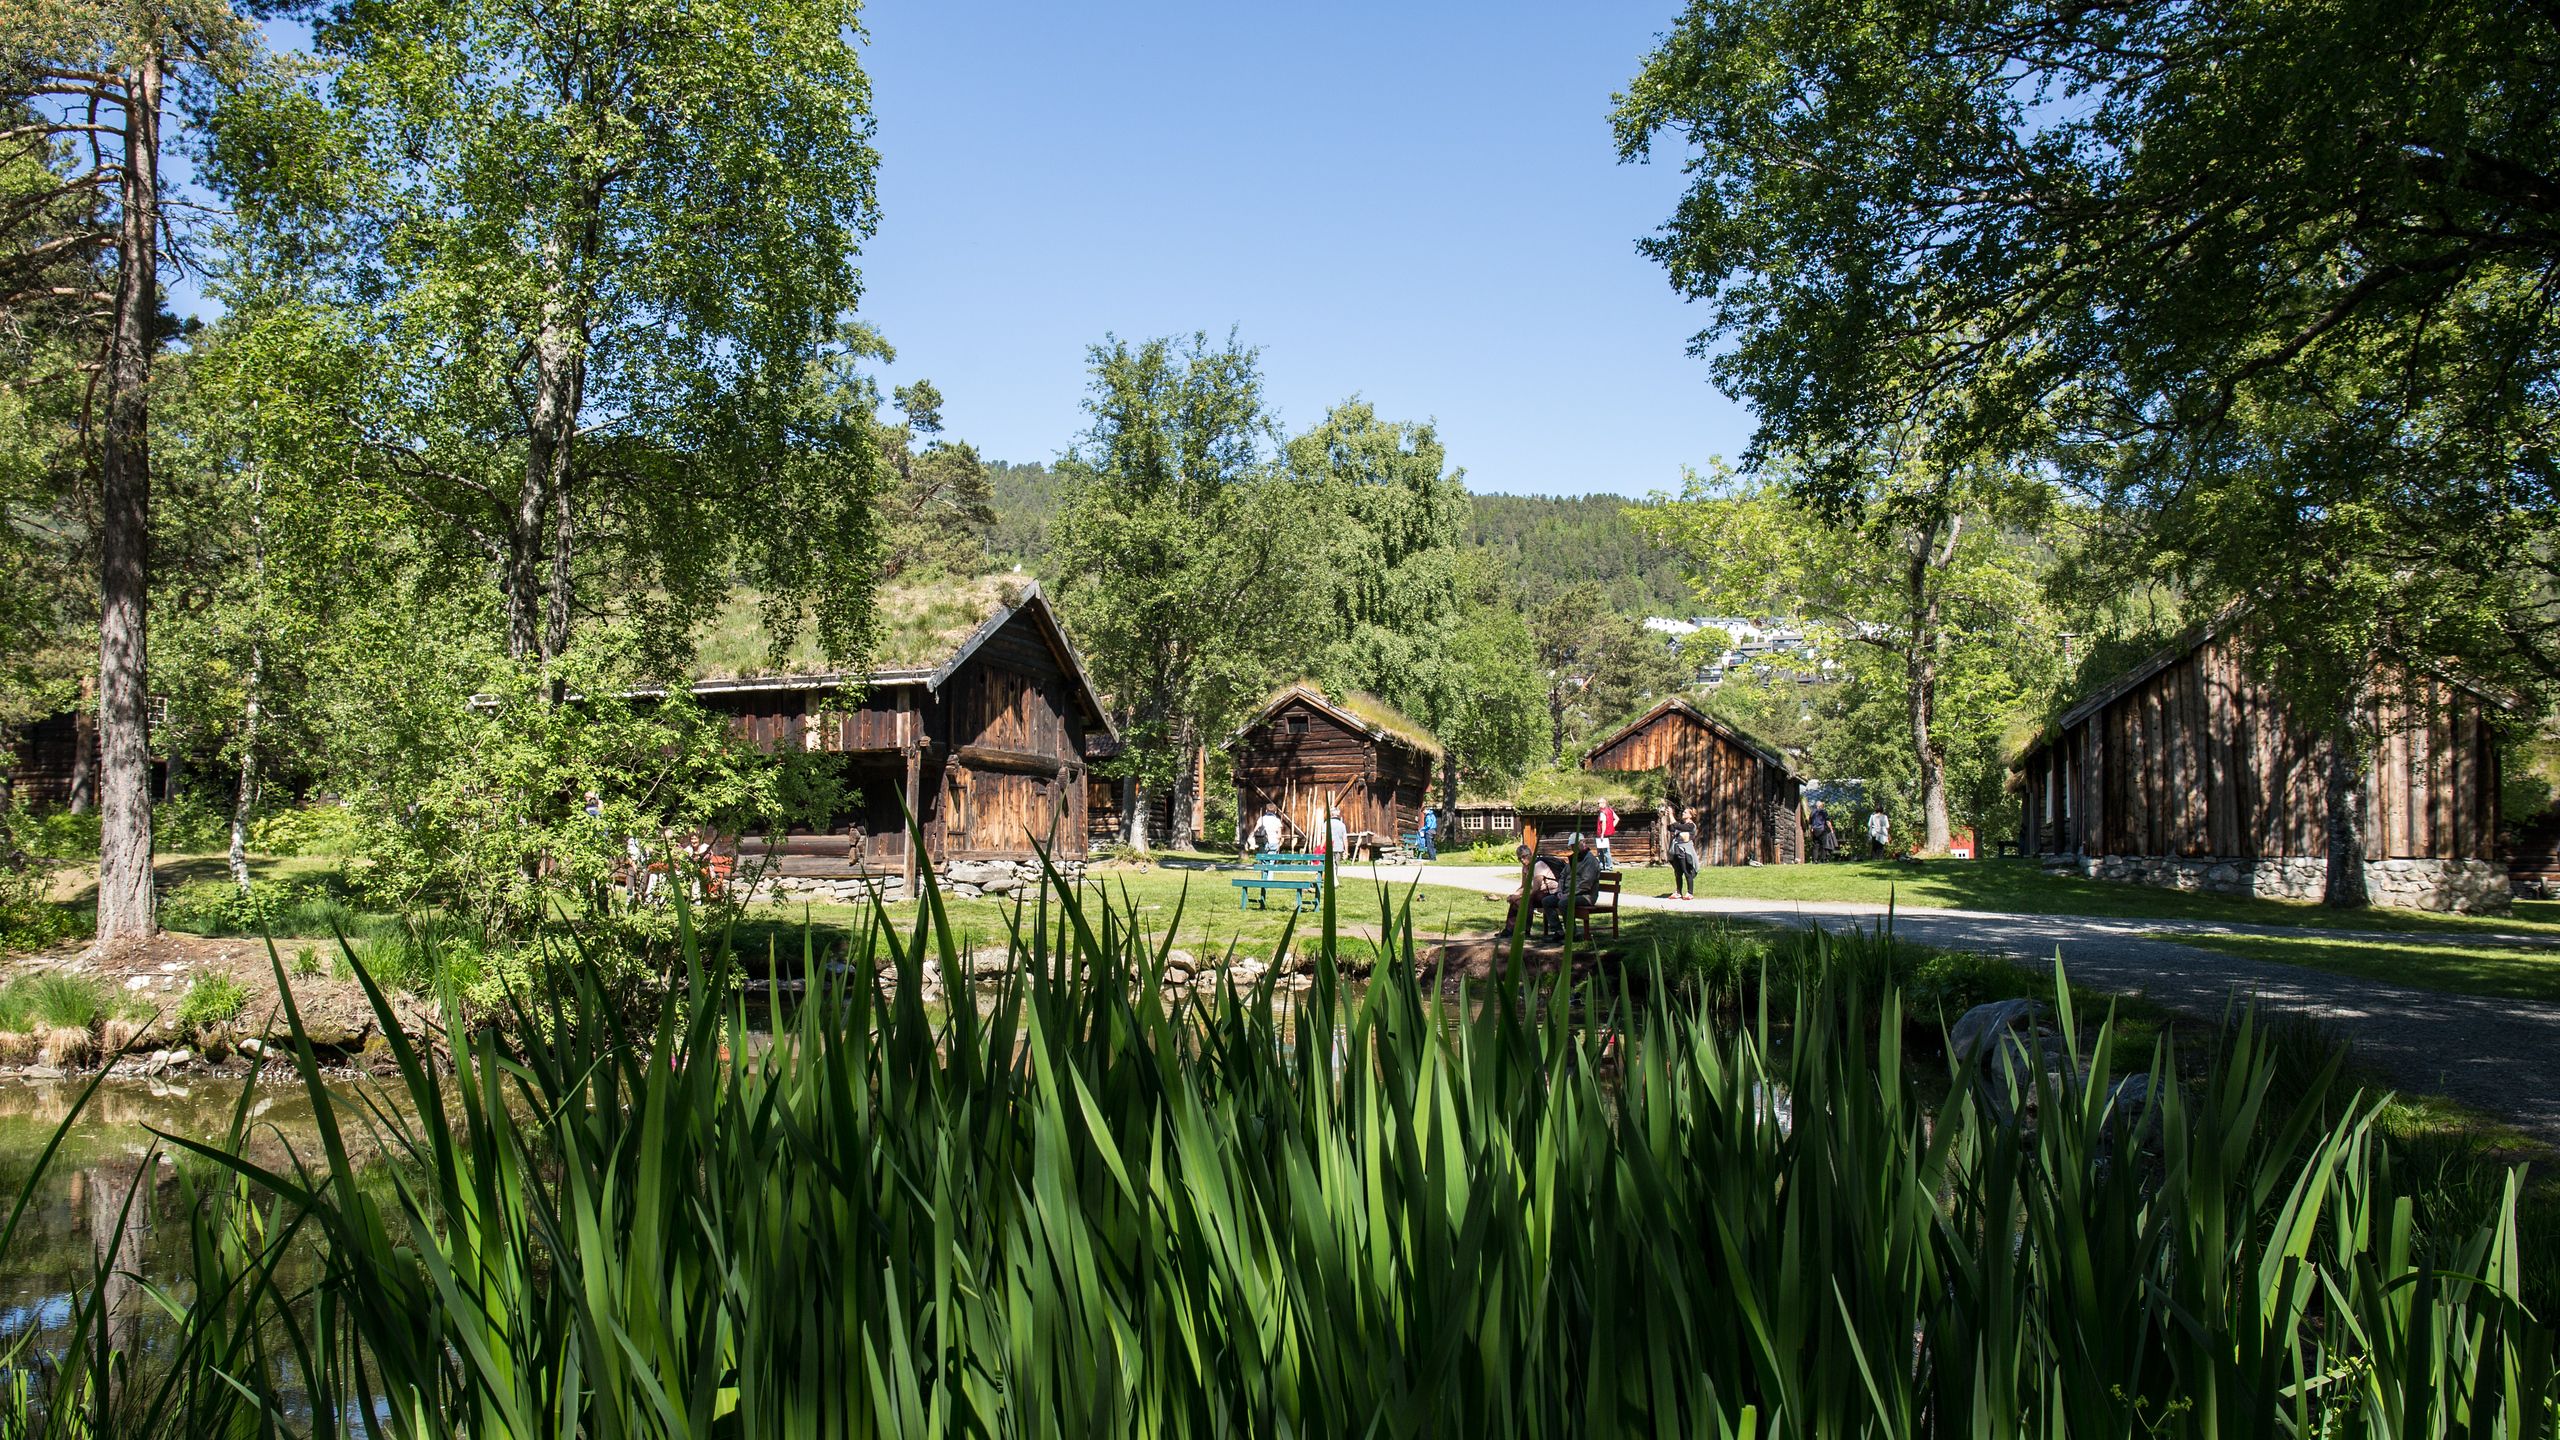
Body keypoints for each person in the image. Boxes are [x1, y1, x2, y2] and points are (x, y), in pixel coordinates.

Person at [1498, 843, 1564, 939]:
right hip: (1539, 893)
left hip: (1551, 893)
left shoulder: (1538, 865)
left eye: (1524, 857)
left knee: (1527, 899)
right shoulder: (1525, 868)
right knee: (1516, 901)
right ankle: (1509, 929)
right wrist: (1514, 895)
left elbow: (1535, 888)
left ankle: (1525, 930)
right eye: (1519, 858)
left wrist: (1519, 896)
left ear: (1530, 855)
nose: (1522, 860)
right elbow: (1524, 886)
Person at [1666, 804, 1700, 899]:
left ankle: (1690, 893)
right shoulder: (1682, 824)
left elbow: (1677, 826)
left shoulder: (1690, 825)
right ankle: (1678, 892)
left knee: (1687, 871)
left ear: (1690, 815)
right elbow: (1671, 828)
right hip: (1677, 850)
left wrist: (1671, 815)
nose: (1683, 813)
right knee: (1677, 872)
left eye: (1685, 812)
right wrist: (1666, 816)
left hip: (1685, 851)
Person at [1595, 801, 1618, 867]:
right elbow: (1617, 819)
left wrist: (1602, 834)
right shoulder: (1610, 810)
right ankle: (1603, 865)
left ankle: (1608, 866)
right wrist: (1611, 827)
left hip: (1602, 834)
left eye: (1599, 802)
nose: (1598, 804)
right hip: (1606, 833)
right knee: (1603, 850)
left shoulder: (1602, 812)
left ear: (1604, 803)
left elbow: (1603, 823)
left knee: (1603, 851)